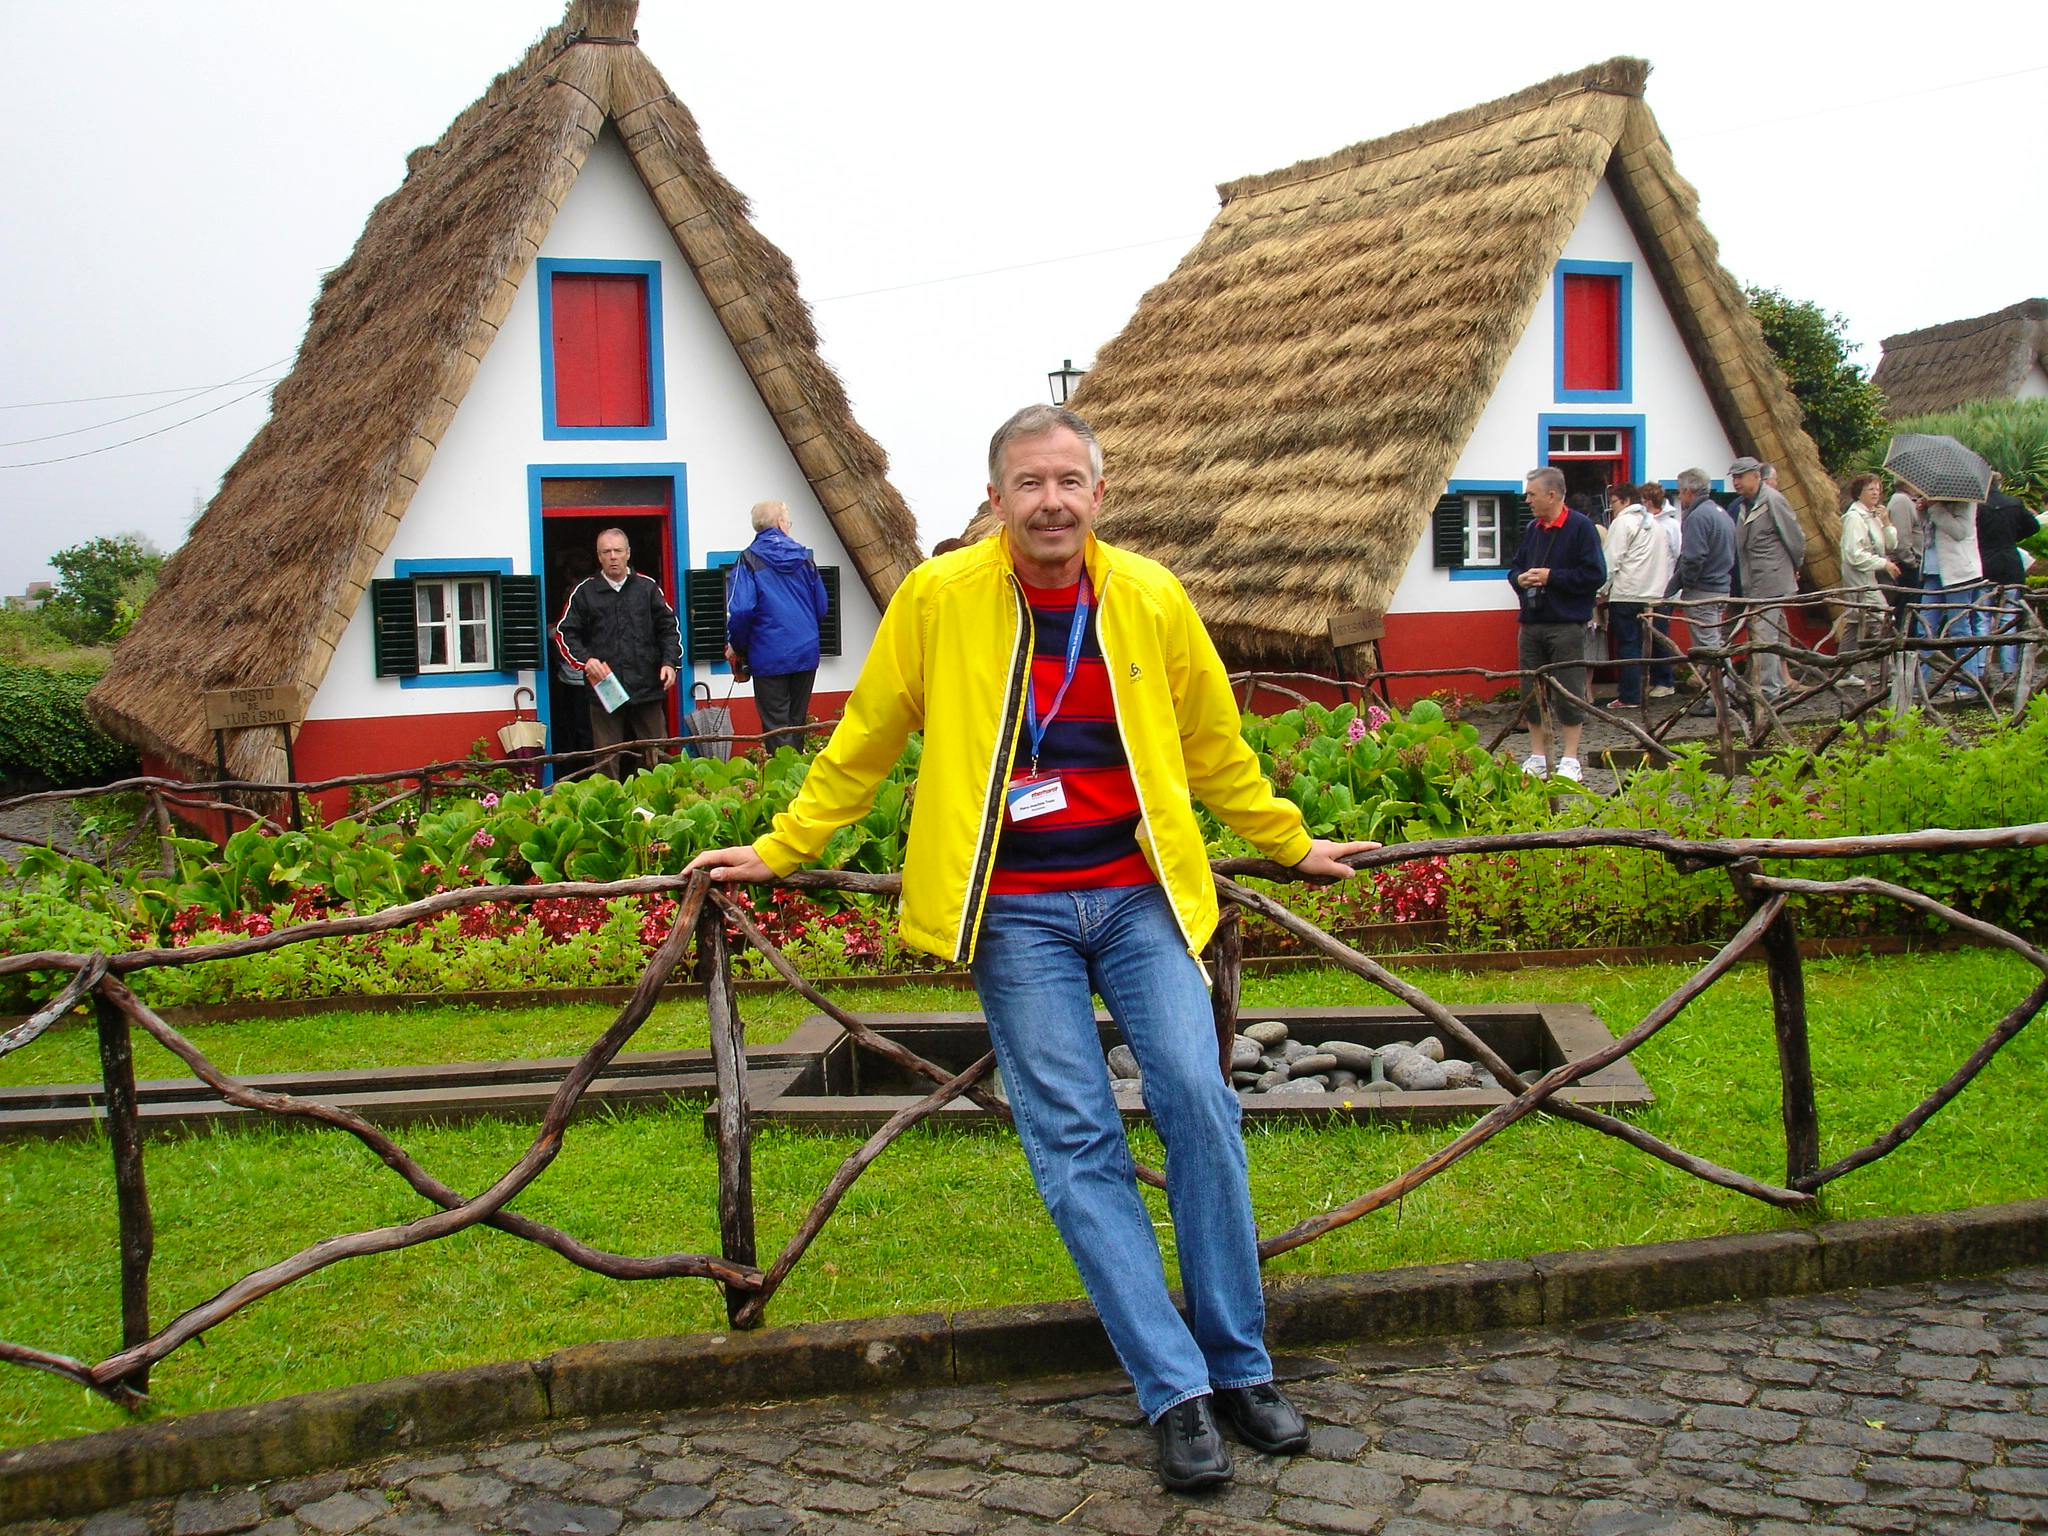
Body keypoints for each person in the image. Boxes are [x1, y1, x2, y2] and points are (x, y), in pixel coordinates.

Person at [686, 405, 1373, 1493]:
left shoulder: (1148, 595)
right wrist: (784, 845)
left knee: (1200, 1100)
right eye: (1029, 483)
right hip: (1014, 913)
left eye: (1068, 481)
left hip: (1138, 898)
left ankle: (1239, 1366)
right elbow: (865, 736)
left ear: (1100, 493)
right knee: (1075, 1140)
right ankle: (1174, 1390)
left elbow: (1212, 743)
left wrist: (1287, 841)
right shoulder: (939, 597)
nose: (1050, 501)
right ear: (995, 498)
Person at [553, 526, 681, 778]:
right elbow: (564, 634)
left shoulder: (647, 588)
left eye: (618, 551)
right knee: (606, 757)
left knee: (656, 753)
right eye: (606, 552)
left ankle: (654, 798)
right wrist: (586, 661)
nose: (613, 556)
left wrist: (669, 662)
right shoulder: (584, 592)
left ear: (628, 553)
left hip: (647, 684)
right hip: (605, 687)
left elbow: (669, 628)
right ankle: (611, 799)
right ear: (598, 556)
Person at [1509, 465, 1606, 780]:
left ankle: (1570, 758)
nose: (1527, 500)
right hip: (1531, 622)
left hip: (1566, 624)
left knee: (1568, 690)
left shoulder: (1581, 528)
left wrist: (1553, 577)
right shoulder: (1533, 529)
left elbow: (1595, 575)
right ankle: (1538, 756)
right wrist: (1520, 579)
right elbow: (1515, 567)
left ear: (1552, 495)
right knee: (1531, 691)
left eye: (1531, 494)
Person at [724, 500, 831, 753]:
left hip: (768, 653)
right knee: (797, 723)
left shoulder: (748, 559)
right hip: (805, 651)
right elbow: (822, 605)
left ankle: (783, 774)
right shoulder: (805, 558)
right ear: (781, 524)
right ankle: (800, 774)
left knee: (776, 728)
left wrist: (739, 646)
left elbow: (741, 610)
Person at [1728, 455, 1805, 700]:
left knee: (1764, 635)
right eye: (1734, 478)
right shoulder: (1744, 504)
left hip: (1772, 579)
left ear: (1755, 476)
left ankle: (1768, 691)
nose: (1736, 482)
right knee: (1769, 633)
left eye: (1740, 477)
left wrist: (1794, 567)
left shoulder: (1773, 500)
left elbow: (1795, 537)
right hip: (1755, 582)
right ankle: (1773, 684)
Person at [1907, 480, 1986, 694]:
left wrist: (1935, 508)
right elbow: (1929, 533)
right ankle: (1918, 684)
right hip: (1933, 571)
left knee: (1959, 628)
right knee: (1924, 628)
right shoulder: (1933, 500)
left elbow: (1960, 532)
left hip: (1958, 572)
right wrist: (1923, 510)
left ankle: (1969, 684)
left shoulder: (1965, 500)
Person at [1597, 483, 1671, 708]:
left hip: (1627, 594)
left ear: (1626, 501)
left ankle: (1630, 695)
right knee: (1651, 643)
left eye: (1614, 502)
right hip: (1654, 594)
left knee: (1629, 645)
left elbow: (1611, 560)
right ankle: (1658, 683)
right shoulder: (1656, 525)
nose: (1612, 507)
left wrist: (1601, 590)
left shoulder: (1622, 523)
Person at [1671, 469, 1736, 716]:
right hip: (1721, 586)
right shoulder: (1720, 513)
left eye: (1680, 492)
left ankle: (1720, 698)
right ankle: (1725, 693)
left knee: (1708, 647)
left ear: (1688, 491)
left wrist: (1686, 583)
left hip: (1703, 590)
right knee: (1715, 643)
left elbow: (1693, 557)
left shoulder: (1697, 517)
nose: (1680, 497)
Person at [1975, 474, 2043, 684]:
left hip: (1985, 563)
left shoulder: (1977, 507)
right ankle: (2009, 669)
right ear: (1999, 485)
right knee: (2009, 616)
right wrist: (2013, 536)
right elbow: (2033, 526)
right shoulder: (2014, 503)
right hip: (2011, 562)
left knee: (1982, 617)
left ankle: (1980, 668)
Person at [1836, 473, 1898, 684]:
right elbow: (1854, 555)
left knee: (1855, 621)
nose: (1875, 493)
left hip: (1871, 576)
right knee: (1881, 618)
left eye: (1878, 489)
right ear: (1859, 493)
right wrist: (1883, 564)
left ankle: (1842, 672)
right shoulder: (1854, 518)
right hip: (1860, 579)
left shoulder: (1873, 516)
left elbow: (1890, 545)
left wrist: (1886, 523)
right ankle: (1892, 672)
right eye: (1870, 489)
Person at [1644, 483, 1684, 697]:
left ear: (1649, 501)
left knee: (1660, 634)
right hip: (1647, 588)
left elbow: (1678, 555)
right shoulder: (1645, 522)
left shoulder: (1671, 525)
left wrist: (1673, 587)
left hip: (1663, 589)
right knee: (1648, 635)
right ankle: (1654, 677)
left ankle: (1666, 681)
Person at [1883, 482, 1924, 637]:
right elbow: (1902, 539)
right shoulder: (1901, 501)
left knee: (1911, 609)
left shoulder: (1909, 501)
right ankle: (1903, 644)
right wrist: (1911, 562)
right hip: (1906, 566)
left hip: (1911, 563)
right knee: (1906, 610)